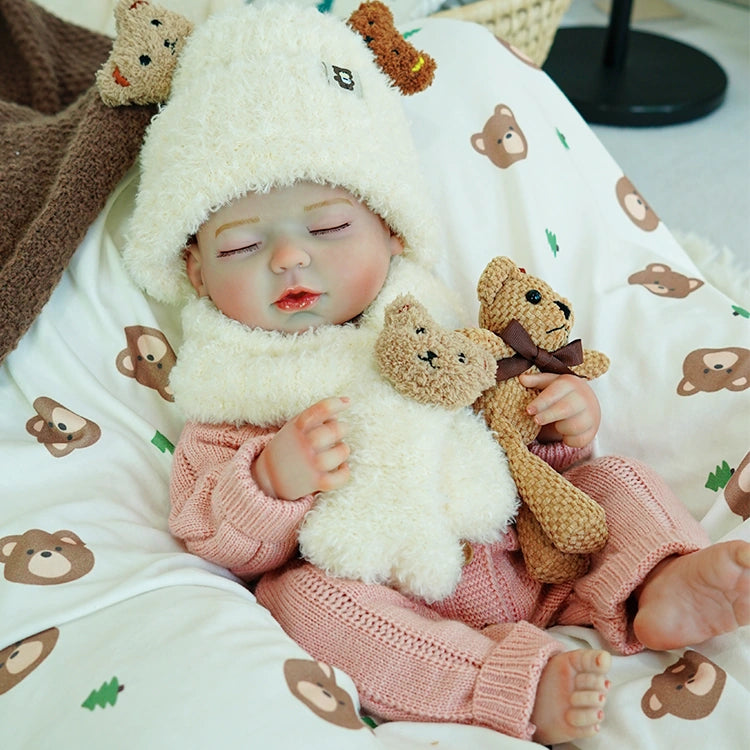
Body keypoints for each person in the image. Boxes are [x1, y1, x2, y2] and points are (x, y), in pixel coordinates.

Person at [124, 4, 750, 745]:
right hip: (390, 598)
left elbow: (515, 443)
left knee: (616, 482)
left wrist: (557, 421)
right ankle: (507, 683)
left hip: (527, 553)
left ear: (390, 233)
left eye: (326, 229)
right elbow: (212, 535)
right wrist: (270, 482)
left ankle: (660, 580)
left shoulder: (434, 319)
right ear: (194, 271)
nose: (290, 258)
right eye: (244, 246)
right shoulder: (235, 389)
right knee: (304, 606)